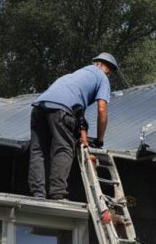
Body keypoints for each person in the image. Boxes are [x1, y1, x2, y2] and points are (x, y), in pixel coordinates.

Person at [28, 53, 118, 200]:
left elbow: (79, 117)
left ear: (95, 62)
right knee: (64, 148)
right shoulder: (102, 78)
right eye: (110, 73)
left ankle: (38, 193)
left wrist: (82, 134)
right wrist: (100, 140)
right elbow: (102, 110)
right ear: (108, 68)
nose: (109, 75)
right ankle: (57, 193)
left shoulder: (74, 76)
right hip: (61, 110)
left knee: (38, 151)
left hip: (39, 107)